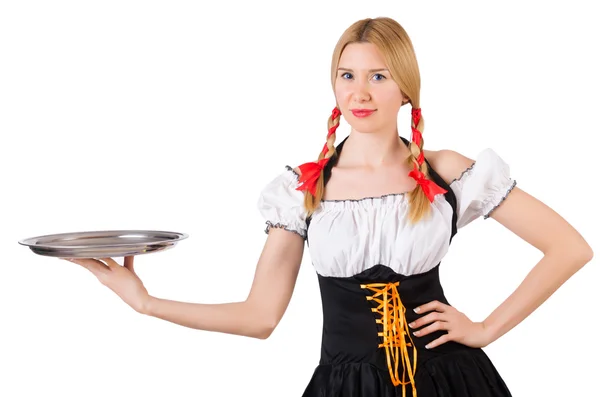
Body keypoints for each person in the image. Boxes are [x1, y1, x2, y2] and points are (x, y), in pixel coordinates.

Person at [61, 17, 593, 397]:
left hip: (450, 379)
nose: (359, 93)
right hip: (345, 386)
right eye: (347, 75)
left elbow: (569, 248)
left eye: (378, 76)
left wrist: (484, 329)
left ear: (406, 88)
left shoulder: (444, 171)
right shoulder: (303, 190)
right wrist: (145, 302)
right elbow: (260, 316)